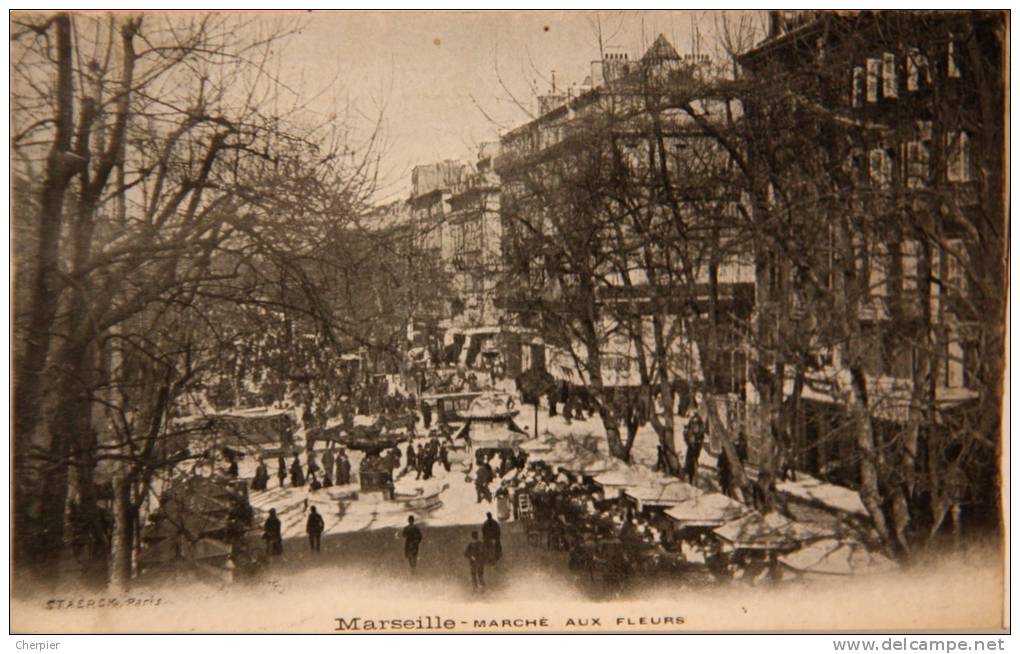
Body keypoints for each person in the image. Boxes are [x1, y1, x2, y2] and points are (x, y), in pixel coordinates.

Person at [683, 413, 705, 484]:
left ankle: (692, 478)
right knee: (691, 459)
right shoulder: (695, 422)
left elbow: (701, 433)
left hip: (695, 445)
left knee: (693, 458)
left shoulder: (697, 422)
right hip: (693, 445)